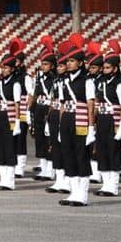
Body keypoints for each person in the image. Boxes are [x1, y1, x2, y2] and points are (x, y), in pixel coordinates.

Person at [57, 34, 96, 207]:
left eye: (73, 61)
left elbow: (91, 105)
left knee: (81, 156)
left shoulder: (87, 81)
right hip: (66, 120)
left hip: (80, 120)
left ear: (80, 63)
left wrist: (91, 127)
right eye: (68, 61)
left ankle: (82, 194)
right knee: (68, 155)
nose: (69, 64)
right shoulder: (64, 81)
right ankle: (73, 192)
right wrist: (59, 127)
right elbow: (63, 105)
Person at [93, 40, 121, 197]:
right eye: (104, 67)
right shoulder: (101, 82)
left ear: (115, 68)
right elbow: (97, 102)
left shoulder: (119, 84)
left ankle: (113, 185)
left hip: (114, 119)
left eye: (107, 67)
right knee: (102, 150)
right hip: (103, 119)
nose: (104, 70)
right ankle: (105, 184)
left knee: (113, 151)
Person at [0, 52, 21, 190]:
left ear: (12, 69)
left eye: (7, 68)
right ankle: (2, 179)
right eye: (3, 68)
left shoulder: (15, 84)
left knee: (9, 148)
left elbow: (17, 104)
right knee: (0, 148)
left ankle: (10, 180)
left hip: (10, 117)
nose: (4, 70)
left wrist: (17, 122)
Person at [46, 42, 71, 194]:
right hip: (55, 113)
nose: (59, 68)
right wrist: (48, 120)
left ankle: (67, 180)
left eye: (62, 66)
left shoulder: (68, 81)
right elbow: (51, 100)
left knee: (66, 148)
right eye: (58, 66)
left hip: (66, 114)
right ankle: (59, 179)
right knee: (55, 146)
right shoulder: (55, 81)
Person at [31, 36, 57, 181]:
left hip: (49, 110)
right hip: (39, 109)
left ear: (52, 65)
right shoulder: (40, 78)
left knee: (49, 141)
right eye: (42, 64)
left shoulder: (55, 79)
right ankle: (43, 167)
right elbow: (35, 94)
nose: (43, 66)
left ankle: (50, 170)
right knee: (40, 139)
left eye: (46, 64)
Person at [9, 38, 32, 179]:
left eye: (16, 61)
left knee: (20, 140)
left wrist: (28, 112)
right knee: (10, 139)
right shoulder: (10, 76)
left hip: (22, 112)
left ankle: (20, 166)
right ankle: (12, 164)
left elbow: (30, 94)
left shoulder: (26, 77)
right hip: (10, 111)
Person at [85, 42, 104, 184]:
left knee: (98, 144)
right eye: (90, 66)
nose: (91, 69)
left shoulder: (102, 81)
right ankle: (92, 170)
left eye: (94, 67)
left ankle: (98, 172)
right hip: (87, 115)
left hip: (98, 114)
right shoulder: (88, 79)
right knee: (90, 144)